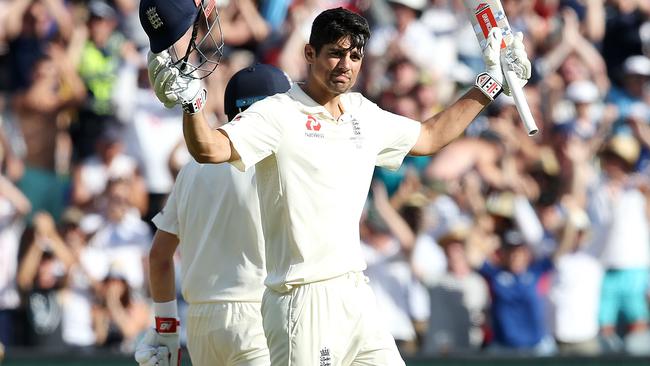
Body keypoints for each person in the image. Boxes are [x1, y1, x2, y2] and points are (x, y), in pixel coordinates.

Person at [140, 1, 531, 364]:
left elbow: (429, 137)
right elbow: (208, 149)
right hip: (302, 300)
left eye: (355, 56)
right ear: (310, 54)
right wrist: (192, 106)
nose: (346, 64)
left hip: (355, 293)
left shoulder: (364, 113)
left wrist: (489, 84)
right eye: (335, 53)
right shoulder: (278, 113)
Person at [134, 64, 292, 366]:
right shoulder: (276, 161)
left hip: (201, 325)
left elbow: (159, 256)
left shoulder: (191, 169)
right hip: (258, 317)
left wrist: (166, 328)